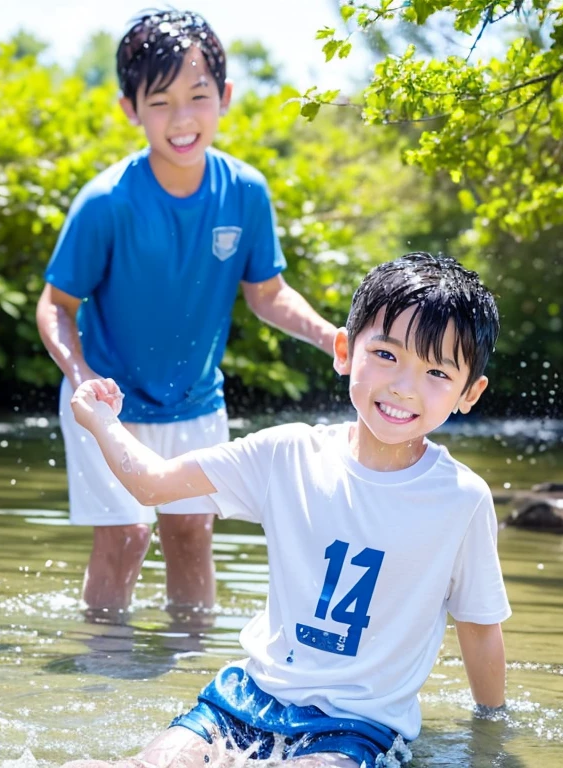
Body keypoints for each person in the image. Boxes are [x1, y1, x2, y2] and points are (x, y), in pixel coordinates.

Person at [64, 252, 509, 767]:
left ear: (469, 392)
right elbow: (153, 484)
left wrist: (492, 731)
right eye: (386, 355)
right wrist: (100, 420)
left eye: (435, 371)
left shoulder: (462, 499)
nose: (404, 386)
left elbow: (479, 626)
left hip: (357, 727)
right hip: (244, 700)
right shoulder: (286, 454)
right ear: (344, 350)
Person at [36, 9, 338, 616]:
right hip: (108, 405)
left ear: (224, 97)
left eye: (198, 97)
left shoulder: (246, 191)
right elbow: (55, 306)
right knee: (126, 538)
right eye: (160, 102)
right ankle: (104, 668)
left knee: (192, 535)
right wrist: (82, 376)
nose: (182, 120)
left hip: (198, 401)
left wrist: (331, 336)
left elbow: (267, 293)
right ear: (130, 108)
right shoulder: (106, 201)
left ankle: (191, 672)